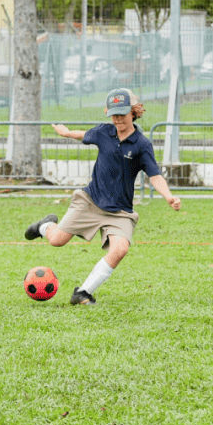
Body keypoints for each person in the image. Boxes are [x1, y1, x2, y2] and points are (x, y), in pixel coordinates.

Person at [24, 88, 181, 305]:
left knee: (120, 249)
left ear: (134, 112)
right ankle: (44, 226)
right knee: (57, 241)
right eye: (114, 115)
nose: (118, 120)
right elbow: (85, 135)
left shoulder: (142, 145)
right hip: (90, 201)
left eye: (122, 114)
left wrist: (169, 196)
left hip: (120, 211)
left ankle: (82, 293)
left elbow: (154, 175)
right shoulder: (104, 132)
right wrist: (67, 132)